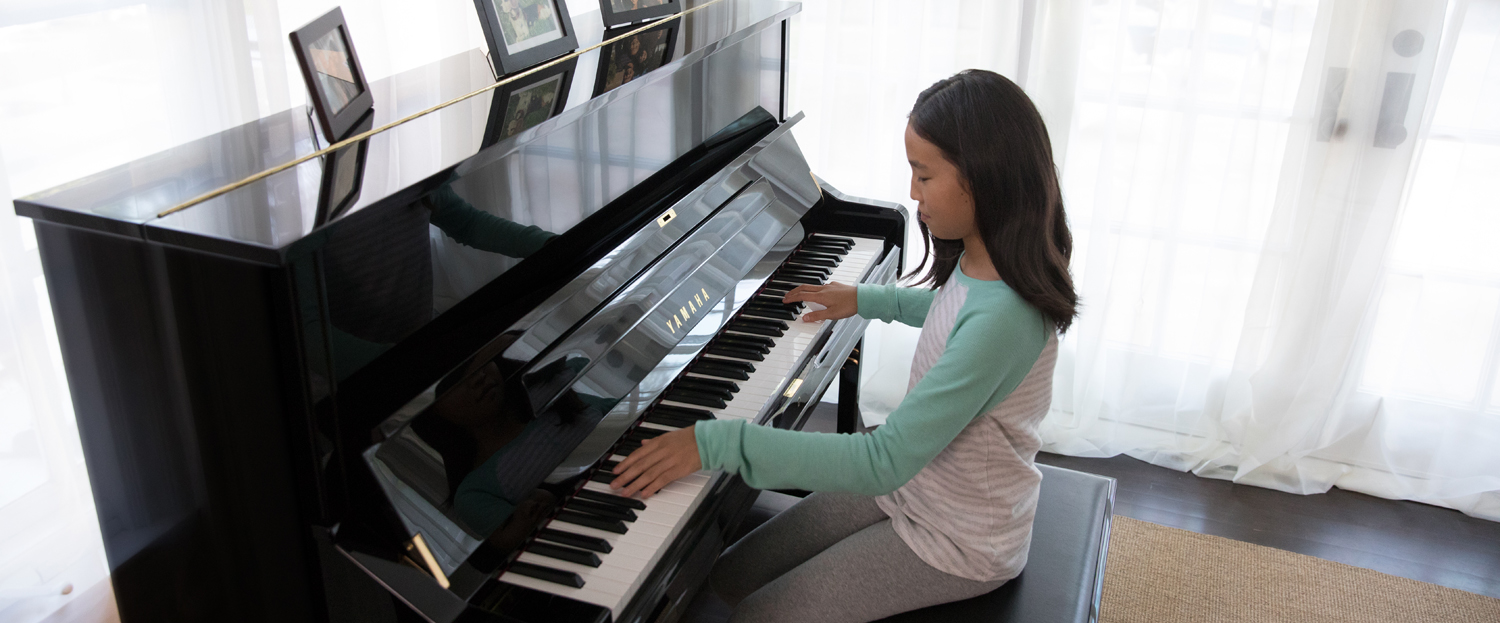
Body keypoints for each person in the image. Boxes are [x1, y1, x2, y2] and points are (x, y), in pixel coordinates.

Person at [608, 69, 1079, 622]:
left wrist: (718, 442)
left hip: (959, 536)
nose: (911, 192)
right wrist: (867, 299)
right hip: (920, 484)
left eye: (923, 175)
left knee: (755, 614)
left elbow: (881, 463)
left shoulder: (1007, 317)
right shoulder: (985, 264)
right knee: (729, 573)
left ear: (984, 178)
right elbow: (953, 317)